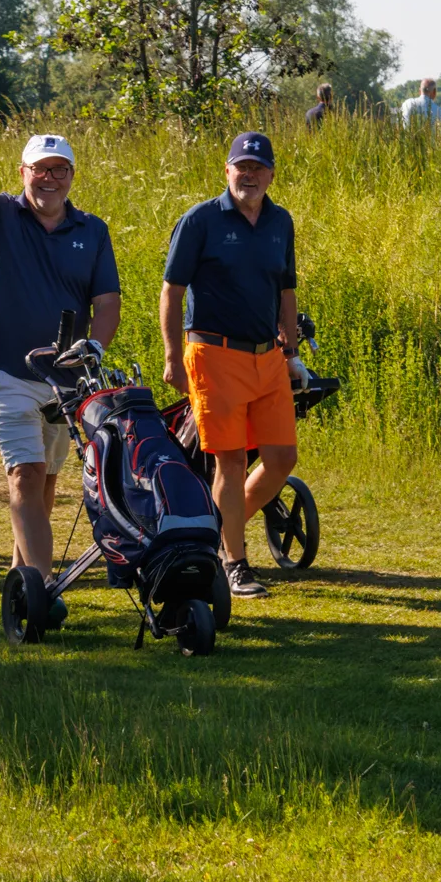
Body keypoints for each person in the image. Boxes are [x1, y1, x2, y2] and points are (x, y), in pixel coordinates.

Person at [0, 107, 121, 572]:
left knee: (48, 480)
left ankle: (23, 578)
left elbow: (107, 301)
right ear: (23, 173)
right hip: (9, 369)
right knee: (25, 474)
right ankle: (41, 589)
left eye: (59, 169)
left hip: (67, 376)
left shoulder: (92, 230)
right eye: (40, 169)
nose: (49, 179)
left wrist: (94, 348)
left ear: (72, 175)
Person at [159, 131, 300, 599]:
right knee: (232, 459)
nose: (250, 175)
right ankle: (234, 561)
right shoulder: (201, 220)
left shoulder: (281, 221)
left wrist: (292, 352)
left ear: (271, 174)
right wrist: (171, 355)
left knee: (281, 458)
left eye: (259, 168)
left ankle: (221, 527)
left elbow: (286, 290)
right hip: (213, 354)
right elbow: (172, 291)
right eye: (242, 167)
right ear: (228, 170)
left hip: (268, 357)